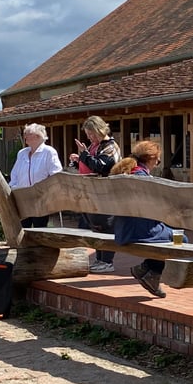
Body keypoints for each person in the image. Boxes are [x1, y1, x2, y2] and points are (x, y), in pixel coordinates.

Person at [109, 140, 184, 298]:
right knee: (181, 239)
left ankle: (147, 270)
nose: (158, 163)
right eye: (157, 159)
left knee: (169, 233)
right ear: (150, 158)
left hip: (122, 228)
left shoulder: (125, 173)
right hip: (139, 230)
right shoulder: (143, 179)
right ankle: (150, 271)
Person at [69, 116, 122, 273]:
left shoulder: (111, 147)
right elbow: (90, 164)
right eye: (88, 134)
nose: (90, 137)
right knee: (96, 228)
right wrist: (79, 160)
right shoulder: (96, 146)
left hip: (106, 194)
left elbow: (101, 167)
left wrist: (84, 155)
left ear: (99, 130)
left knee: (106, 227)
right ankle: (99, 258)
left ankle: (107, 261)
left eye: (91, 134)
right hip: (92, 193)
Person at [9, 123, 63, 227]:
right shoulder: (22, 153)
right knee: (23, 228)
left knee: (39, 228)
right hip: (23, 197)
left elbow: (56, 175)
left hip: (40, 198)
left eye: (27, 134)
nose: (24, 136)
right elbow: (14, 173)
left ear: (37, 136)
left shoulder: (49, 152)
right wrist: (14, 187)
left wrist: (47, 191)